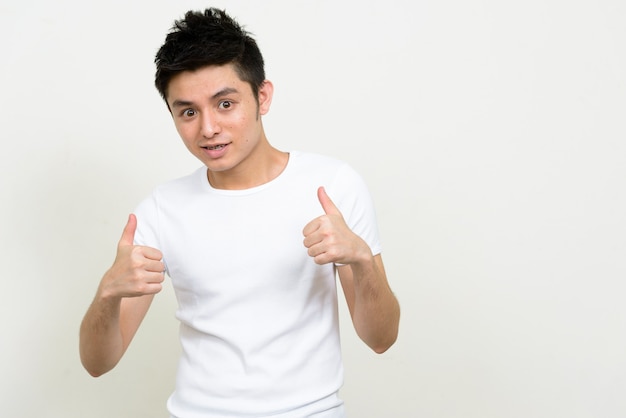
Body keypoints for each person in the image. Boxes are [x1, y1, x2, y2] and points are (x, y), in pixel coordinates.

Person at [79, 8, 400, 418]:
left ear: (262, 96)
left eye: (225, 103)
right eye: (188, 112)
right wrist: (108, 293)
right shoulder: (161, 210)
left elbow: (381, 337)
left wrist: (361, 260)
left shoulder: (332, 186)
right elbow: (97, 363)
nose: (208, 128)